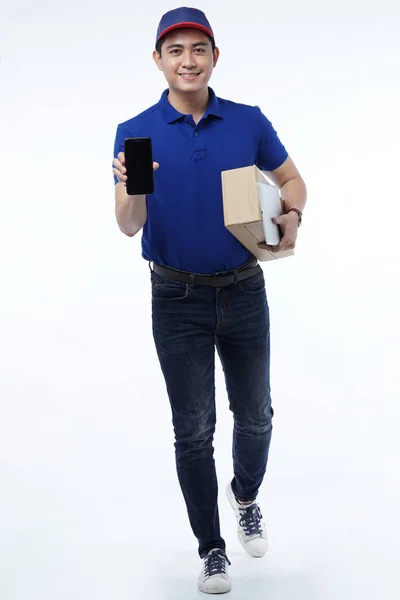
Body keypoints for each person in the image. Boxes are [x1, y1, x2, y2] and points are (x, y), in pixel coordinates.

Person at [112, 7, 307, 595]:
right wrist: (129, 187)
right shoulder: (137, 133)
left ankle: (244, 494)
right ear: (158, 61)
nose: (188, 60)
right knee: (193, 429)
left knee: (256, 415)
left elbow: (294, 180)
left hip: (245, 288)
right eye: (176, 51)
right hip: (175, 297)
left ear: (215, 57)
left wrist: (293, 213)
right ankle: (212, 548)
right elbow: (128, 226)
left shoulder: (246, 122)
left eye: (199, 49)